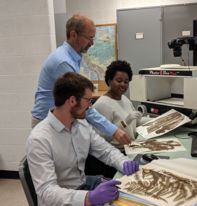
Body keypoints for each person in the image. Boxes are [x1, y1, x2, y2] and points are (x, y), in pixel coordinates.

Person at [27, 72, 139, 206]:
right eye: (88, 100)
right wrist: (89, 198)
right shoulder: (39, 139)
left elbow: (106, 151)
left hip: (81, 184)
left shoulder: (81, 125)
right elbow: (46, 192)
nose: (90, 106)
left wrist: (123, 162)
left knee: (127, 196)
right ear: (73, 101)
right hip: (56, 205)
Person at [31, 14, 130, 145]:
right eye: (89, 38)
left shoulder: (73, 57)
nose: (92, 43)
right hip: (48, 123)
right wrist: (114, 131)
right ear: (73, 35)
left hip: (60, 120)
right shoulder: (63, 62)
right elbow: (82, 105)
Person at [93, 60, 151, 151]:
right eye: (119, 81)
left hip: (132, 146)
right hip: (116, 153)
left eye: (126, 82)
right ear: (109, 80)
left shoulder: (125, 99)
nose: (123, 85)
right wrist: (125, 122)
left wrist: (156, 120)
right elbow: (103, 138)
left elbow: (135, 123)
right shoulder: (102, 104)